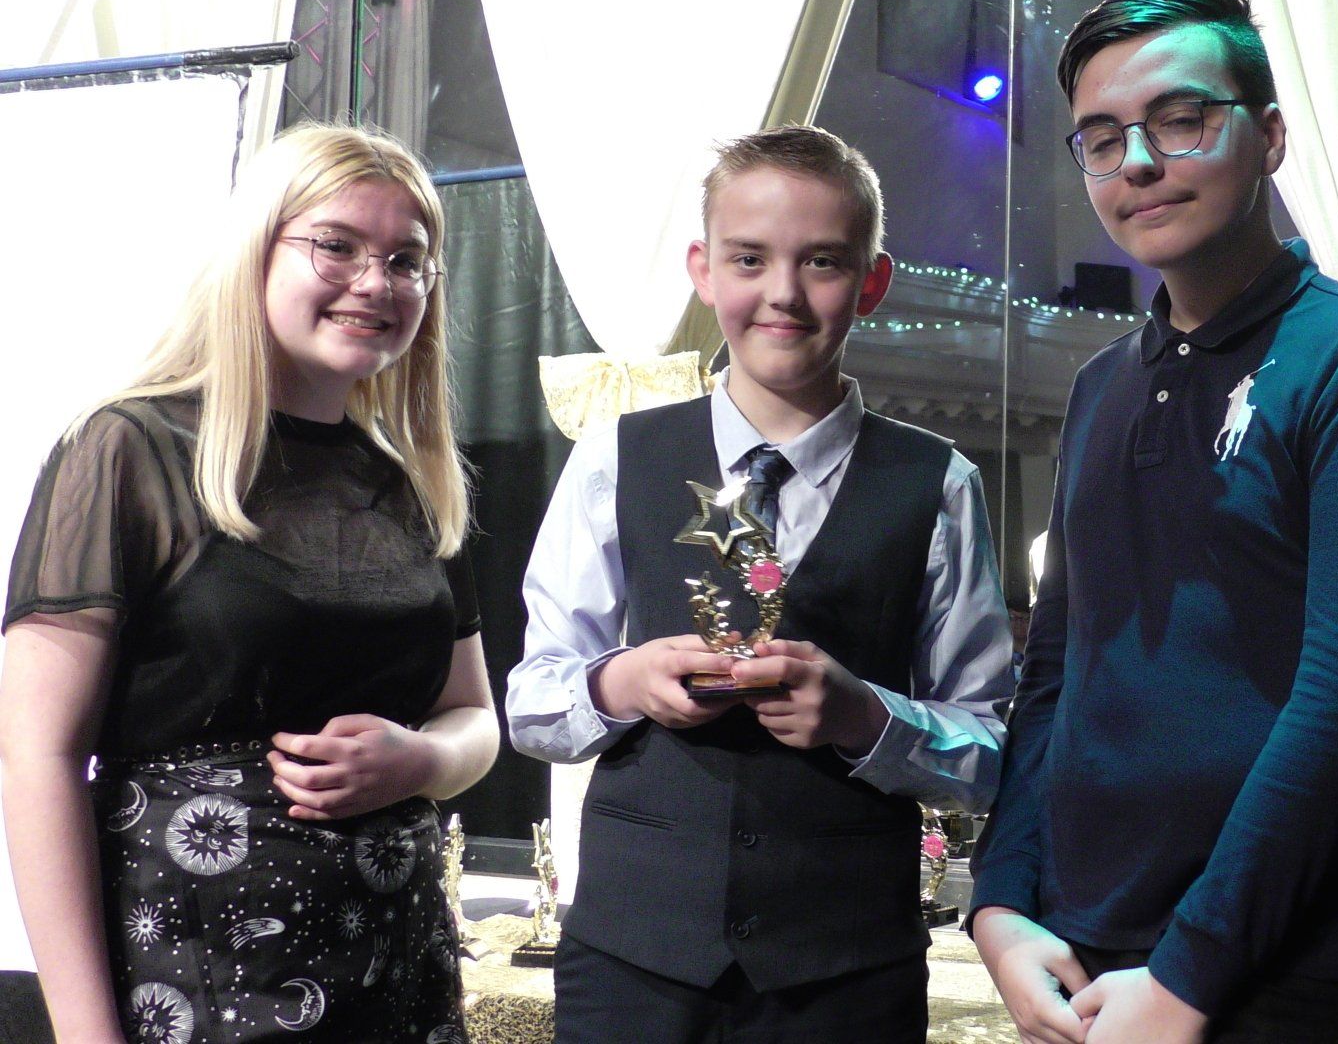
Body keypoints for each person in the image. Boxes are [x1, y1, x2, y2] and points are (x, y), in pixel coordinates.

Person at [968, 0, 1338, 1044]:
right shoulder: (1100, 385)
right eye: (1103, 139)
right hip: (1079, 944)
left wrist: (1190, 975)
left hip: (1281, 963)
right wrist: (998, 901)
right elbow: (1056, 669)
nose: (1139, 163)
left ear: (1269, 136)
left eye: (1181, 119)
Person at [506, 124, 1014, 1043]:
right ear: (703, 271)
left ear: (871, 282)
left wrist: (865, 718)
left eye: (822, 261)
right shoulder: (615, 457)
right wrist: (623, 682)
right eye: (750, 258)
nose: (783, 292)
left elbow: (989, 746)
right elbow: (532, 702)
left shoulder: (938, 483)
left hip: (845, 974)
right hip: (632, 964)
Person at [0, 123, 498, 1042]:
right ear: (254, 252)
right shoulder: (129, 448)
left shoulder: (415, 481)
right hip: (196, 977)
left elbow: (474, 718)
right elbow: (37, 757)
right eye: (336, 246)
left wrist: (420, 762)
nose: (375, 282)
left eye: (406, 260)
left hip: (398, 971)